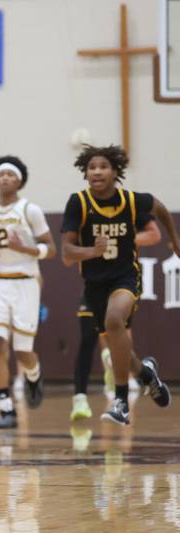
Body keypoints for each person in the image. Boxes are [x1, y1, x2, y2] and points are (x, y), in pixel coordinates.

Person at [61, 144, 179, 425]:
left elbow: (161, 209)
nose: (97, 171)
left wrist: (174, 240)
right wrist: (92, 251)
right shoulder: (78, 203)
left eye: (103, 167)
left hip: (126, 276)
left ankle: (121, 402)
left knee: (115, 320)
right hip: (95, 284)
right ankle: (147, 375)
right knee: (120, 348)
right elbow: (67, 252)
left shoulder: (132, 200)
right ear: (85, 173)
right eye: (92, 167)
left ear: (115, 172)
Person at [0, 155, 56, 429]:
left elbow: (51, 249)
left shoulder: (30, 210)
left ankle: (34, 374)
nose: (5, 178)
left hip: (25, 283)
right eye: (1, 174)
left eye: (11, 175)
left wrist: (24, 248)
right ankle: (5, 406)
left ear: (20, 181)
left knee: (23, 352)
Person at [68, 214, 161, 420]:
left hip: (121, 282)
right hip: (94, 284)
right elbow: (68, 254)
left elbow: (154, 234)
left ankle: (128, 377)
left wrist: (126, 239)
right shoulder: (83, 209)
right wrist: (88, 250)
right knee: (88, 337)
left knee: (119, 331)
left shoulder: (130, 207)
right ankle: (81, 397)